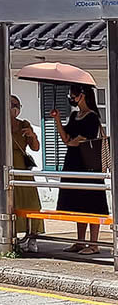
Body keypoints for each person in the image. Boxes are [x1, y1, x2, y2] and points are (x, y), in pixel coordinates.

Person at [51, 82, 108, 255]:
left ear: (82, 95)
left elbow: (82, 139)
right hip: (73, 161)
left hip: (88, 163)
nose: (72, 98)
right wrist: (58, 120)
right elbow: (66, 137)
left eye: (74, 95)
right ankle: (80, 241)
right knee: (77, 201)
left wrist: (70, 141)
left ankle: (94, 243)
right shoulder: (75, 115)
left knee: (92, 201)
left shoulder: (92, 117)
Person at [10, 95, 43, 253]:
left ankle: (32, 236)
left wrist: (32, 135)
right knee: (11, 203)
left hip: (22, 168)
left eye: (17, 105)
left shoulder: (23, 124)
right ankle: (12, 237)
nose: (15, 108)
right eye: (12, 105)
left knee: (31, 203)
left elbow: (35, 148)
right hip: (7, 165)